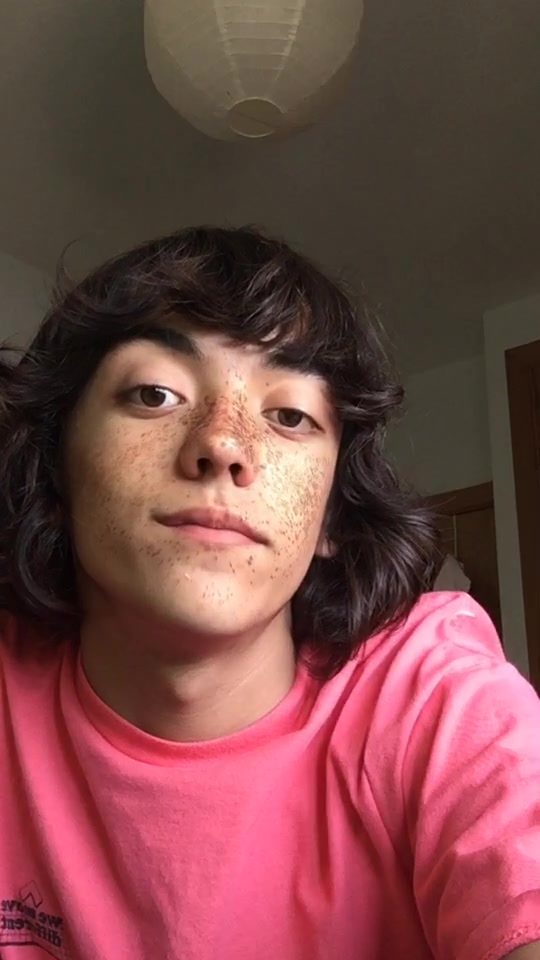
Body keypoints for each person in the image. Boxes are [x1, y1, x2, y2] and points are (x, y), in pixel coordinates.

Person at [0, 226, 538, 960]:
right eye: (155, 393)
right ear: (56, 473)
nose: (223, 444)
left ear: (331, 517)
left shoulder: (428, 694)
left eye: (289, 415)